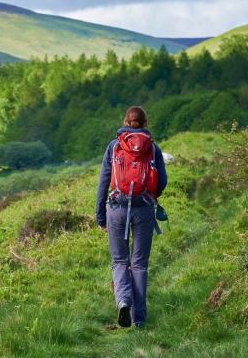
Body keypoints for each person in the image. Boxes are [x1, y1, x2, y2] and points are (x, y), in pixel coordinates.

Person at [95, 106, 167, 328]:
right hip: (143, 208)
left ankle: (123, 301)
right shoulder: (152, 148)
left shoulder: (115, 146)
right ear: (145, 123)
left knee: (119, 261)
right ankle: (139, 319)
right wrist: (149, 196)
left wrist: (100, 216)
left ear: (125, 121)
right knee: (139, 264)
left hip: (116, 207)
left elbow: (104, 182)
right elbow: (162, 181)